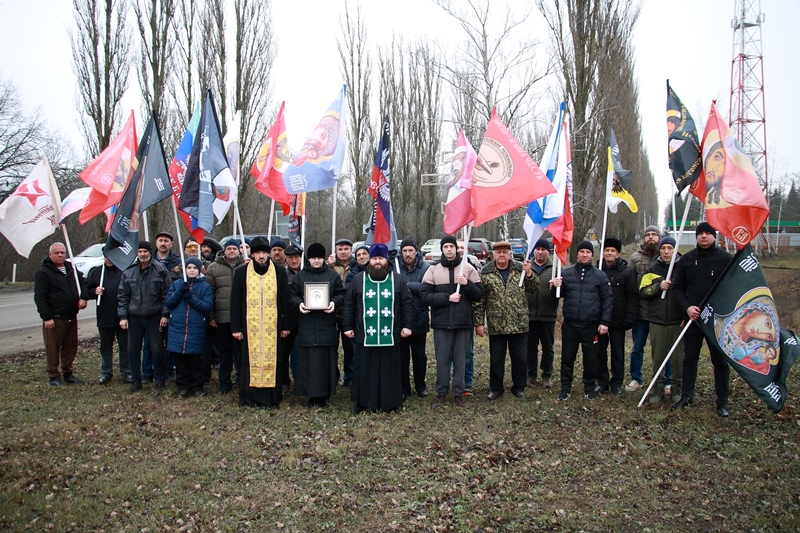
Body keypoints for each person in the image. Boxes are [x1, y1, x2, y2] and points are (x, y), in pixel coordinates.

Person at [343, 243, 415, 413]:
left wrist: (408, 325)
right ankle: (362, 402)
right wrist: (347, 326)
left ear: (386, 260)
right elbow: (349, 304)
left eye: (380, 258)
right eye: (374, 258)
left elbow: (407, 304)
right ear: (369, 260)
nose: (377, 262)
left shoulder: (397, 280)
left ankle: (392, 402)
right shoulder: (358, 279)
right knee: (364, 368)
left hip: (390, 334)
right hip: (364, 334)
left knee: (390, 369)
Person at [671, 222, 733, 417]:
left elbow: (733, 288)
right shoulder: (687, 260)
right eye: (701, 233)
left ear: (714, 236)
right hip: (693, 318)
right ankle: (686, 397)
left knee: (720, 362)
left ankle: (722, 402)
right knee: (690, 358)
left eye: (708, 233)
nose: (704, 236)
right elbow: (678, 287)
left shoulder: (725, 259)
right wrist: (687, 308)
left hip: (718, 321)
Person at [420, 236, 482, 407]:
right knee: (442, 359)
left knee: (460, 359)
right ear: (442, 249)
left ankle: (458, 393)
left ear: (456, 249)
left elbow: (478, 295)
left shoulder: (468, 269)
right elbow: (425, 295)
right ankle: (441, 393)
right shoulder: (433, 270)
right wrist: (447, 298)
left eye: (451, 246)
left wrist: (466, 284)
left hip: (462, 323)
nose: (449, 249)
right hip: (442, 323)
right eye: (446, 246)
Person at [230, 236, 291, 408]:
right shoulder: (242, 272)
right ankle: (249, 397)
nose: (262, 256)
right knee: (248, 360)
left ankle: (272, 397)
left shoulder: (278, 271)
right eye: (258, 253)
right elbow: (235, 301)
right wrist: (236, 328)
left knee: (275, 360)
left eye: (265, 252)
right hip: (250, 327)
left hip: (273, 327)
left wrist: (286, 325)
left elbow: (284, 300)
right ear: (252, 254)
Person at [550, 241, 613, 400]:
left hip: (591, 326)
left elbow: (608, 300)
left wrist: (604, 322)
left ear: (592, 255)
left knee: (591, 359)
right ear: (577, 254)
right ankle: (565, 388)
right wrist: (555, 287)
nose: (584, 254)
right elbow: (557, 296)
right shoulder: (567, 273)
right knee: (567, 358)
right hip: (570, 325)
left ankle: (589, 388)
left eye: (588, 252)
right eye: (582, 251)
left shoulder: (600, 276)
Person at [474, 241, 537, 400]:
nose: (501, 254)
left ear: (510, 254)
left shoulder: (521, 269)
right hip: (497, 324)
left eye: (504, 252)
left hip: (519, 323)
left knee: (520, 358)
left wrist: (529, 274)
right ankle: (496, 388)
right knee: (496, 358)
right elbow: (480, 300)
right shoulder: (485, 273)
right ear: (493, 255)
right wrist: (479, 323)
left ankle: (519, 387)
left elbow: (534, 288)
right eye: (498, 252)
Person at [290, 243, 345, 408]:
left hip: (326, 324)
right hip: (307, 324)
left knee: (326, 360)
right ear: (308, 259)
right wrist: (299, 304)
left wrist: (334, 303)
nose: (316, 261)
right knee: (307, 361)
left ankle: (325, 396)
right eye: (313, 258)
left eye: (319, 258)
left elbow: (341, 294)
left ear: (323, 258)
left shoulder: (332, 276)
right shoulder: (300, 276)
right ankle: (310, 395)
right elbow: (293, 295)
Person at [118, 241, 171, 393]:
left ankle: (160, 380)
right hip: (134, 317)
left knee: (157, 349)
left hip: (154, 317)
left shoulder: (160, 270)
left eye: (145, 252)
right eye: (140, 251)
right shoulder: (128, 272)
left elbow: (166, 295)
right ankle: (136, 380)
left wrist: (165, 315)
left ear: (150, 252)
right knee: (133, 350)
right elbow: (122, 296)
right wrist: (123, 316)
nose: (142, 254)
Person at [34, 242, 89, 386]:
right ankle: (53, 376)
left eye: (62, 253)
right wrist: (47, 317)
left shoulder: (71, 269)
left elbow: (83, 283)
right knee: (53, 348)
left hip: (71, 316)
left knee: (70, 346)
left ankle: (68, 373)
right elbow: (40, 297)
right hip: (55, 318)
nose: (60, 255)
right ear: (50, 255)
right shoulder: (44, 273)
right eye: (57, 253)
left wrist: (84, 297)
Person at [639, 237, 684, 404]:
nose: (666, 251)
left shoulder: (682, 269)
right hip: (657, 321)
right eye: (663, 248)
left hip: (677, 321)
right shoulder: (652, 270)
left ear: (674, 250)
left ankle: (676, 389)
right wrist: (659, 287)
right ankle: (657, 389)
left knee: (677, 359)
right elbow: (643, 293)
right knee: (658, 358)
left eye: (670, 248)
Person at [165, 257, 213, 398]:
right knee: (181, 361)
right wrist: (180, 292)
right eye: (189, 268)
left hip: (196, 328)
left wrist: (191, 297)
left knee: (195, 361)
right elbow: (169, 303)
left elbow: (207, 307)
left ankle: (197, 386)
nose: (191, 270)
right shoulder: (176, 284)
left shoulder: (205, 287)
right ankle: (183, 387)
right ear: (184, 269)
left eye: (194, 268)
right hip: (178, 328)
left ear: (199, 270)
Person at [596, 238, 638, 395]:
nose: (609, 253)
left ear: (618, 253)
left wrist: (629, 318)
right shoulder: (598, 270)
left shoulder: (626, 272)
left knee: (617, 353)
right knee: (600, 352)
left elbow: (632, 297)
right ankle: (602, 382)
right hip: (599, 320)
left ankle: (616, 383)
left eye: (613, 250)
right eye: (607, 250)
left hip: (618, 320)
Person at [206, 239, 246, 395]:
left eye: (234, 248)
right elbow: (209, 292)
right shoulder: (214, 268)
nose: (231, 251)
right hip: (222, 318)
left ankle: (242, 379)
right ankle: (224, 382)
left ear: (239, 251)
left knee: (241, 352)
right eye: (228, 248)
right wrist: (211, 316)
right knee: (225, 352)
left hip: (242, 318)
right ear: (224, 251)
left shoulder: (246, 266)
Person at [626, 225, 661, 392]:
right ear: (644, 238)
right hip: (640, 312)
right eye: (648, 235)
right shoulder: (634, 259)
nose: (651, 238)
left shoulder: (667, 256)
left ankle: (664, 380)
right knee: (637, 347)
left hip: (660, 313)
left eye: (654, 235)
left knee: (661, 348)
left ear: (659, 238)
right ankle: (636, 378)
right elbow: (630, 286)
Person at [396, 237, 431, 398]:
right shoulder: (395, 267)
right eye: (405, 251)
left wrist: (406, 286)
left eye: (411, 250)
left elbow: (427, 288)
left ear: (416, 252)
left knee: (419, 356)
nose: (408, 254)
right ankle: (403, 388)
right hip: (400, 320)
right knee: (402, 357)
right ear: (401, 252)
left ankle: (420, 386)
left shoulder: (425, 267)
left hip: (420, 318)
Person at [87, 253, 130, 384]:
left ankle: (126, 372)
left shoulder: (124, 271)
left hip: (121, 316)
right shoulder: (96, 272)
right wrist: (94, 291)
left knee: (125, 346)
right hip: (104, 316)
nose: (109, 259)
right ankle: (106, 372)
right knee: (105, 346)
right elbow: (87, 291)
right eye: (106, 256)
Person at [526, 239, 558, 389]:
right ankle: (531, 374)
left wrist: (559, 286)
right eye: (537, 249)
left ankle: (547, 375)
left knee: (548, 347)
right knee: (530, 347)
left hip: (547, 314)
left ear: (548, 251)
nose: (540, 252)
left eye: (543, 249)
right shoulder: (526, 267)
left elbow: (562, 292)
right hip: (530, 315)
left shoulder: (556, 268)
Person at [329, 237, 356, 385]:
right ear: (336, 251)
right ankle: (333, 376)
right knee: (332, 348)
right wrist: (328, 265)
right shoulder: (330, 266)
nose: (343, 252)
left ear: (351, 250)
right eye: (340, 249)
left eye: (346, 249)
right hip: (332, 313)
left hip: (349, 314)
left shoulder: (356, 264)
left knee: (350, 348)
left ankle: (350, 377)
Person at [456, 240, 478, 395]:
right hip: (448, 319)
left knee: (467, 352)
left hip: (466, 318)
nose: (460, 250)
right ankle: (453, 381)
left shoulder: (471, 268)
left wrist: (466, 283)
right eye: (457, 247)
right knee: (450, 353)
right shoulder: (441, 267)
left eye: (463, 247)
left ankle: (467, 382)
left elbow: (478, 294)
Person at [283, 244, 303, 387]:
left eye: (297, 257)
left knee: (300, 354)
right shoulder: (282, 274)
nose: (294, 260)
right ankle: (284, 381)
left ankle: (300, 381)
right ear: (286, 259)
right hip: (287, 319)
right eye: (291, 258)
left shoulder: (305, 273)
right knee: (284, 353)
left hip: (304, 319)